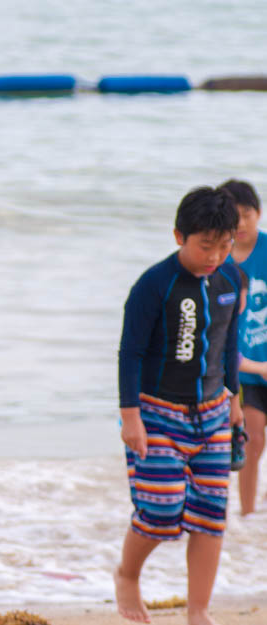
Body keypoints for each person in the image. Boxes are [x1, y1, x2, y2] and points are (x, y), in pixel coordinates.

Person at [114, 186, 243, 625]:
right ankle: (127, 575)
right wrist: (130, 417)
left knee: (210, 516)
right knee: (162, 508)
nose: (215, 256)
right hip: (156, 411)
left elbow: (228, 345)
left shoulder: (231, 280)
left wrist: (235, 400)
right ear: (178, 236)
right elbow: (129, 352)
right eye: (206, 246)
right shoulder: (155, 284)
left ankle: (199, 611)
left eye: (224, 246)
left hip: (214, 413)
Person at [220, 179, 267, 514]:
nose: (241, 222)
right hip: (244, 372)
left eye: (247, 213)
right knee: (252, 440)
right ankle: (248, 514)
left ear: (259, 214)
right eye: (234, 215)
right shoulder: (217, 260)